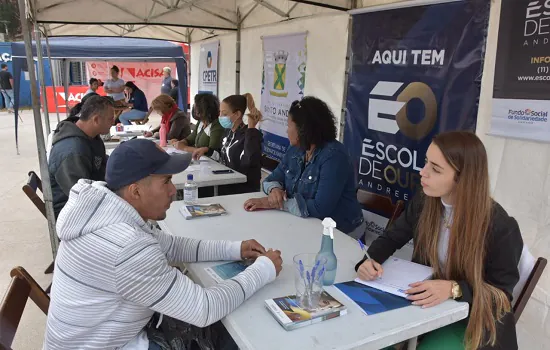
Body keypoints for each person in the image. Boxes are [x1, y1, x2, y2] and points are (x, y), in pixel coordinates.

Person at [44, 139, 283, 349]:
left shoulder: (107, 212)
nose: (172, 190)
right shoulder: (126, 247)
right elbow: (204, 308)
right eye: (166, 181)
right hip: (113, 344)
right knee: (229, 334)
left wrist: (235, 248)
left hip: (99, 337)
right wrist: (264, 270)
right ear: (135, 191)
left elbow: (171, 246)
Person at [355, 131, 523, 350]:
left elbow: (500, 296)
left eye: (435, 169)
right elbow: (391, 238)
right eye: (426, 162)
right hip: (425, 308)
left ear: (463, 178)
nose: (422, 173)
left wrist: (454, 289)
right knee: (371, 338)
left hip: (473, 320)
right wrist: (368, 260)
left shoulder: (500, 227)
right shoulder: (425, 202)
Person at [244, 96, 364, 237]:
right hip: (304, 224)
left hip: (340, 233)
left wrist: (273, 203)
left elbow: (320, 208)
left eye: (289, 126)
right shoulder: (296, 149)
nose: (286, 131)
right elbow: (269, 180)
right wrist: (274, 189)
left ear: (303, 129)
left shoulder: (334, 157)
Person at [48, 95, 114, 218]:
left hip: (93, 198)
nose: (113, 122)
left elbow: (102, 165)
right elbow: (80, 196)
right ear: (96, 120)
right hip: (74, 215)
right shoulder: (72, 151)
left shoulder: (91, 136)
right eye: (110, 119)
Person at [193, 93, 263, 195]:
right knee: (197, 189)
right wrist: (207, 150)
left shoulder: (250, 136)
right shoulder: (228, 132)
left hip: (241, 189)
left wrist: (251, 128)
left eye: (224, 114)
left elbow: (249, 161)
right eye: (220, 113)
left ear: (237, 114)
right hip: (226, 182)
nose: (220, 117)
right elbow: (222, 155)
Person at [173, 93, 223, 158]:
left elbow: (212, 152)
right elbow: (190, 139)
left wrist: (184, 148)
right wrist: (181, 143)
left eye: (195, 106)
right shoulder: (201, 122)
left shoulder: (217, 126)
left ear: (203, 109)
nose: (193, 108)